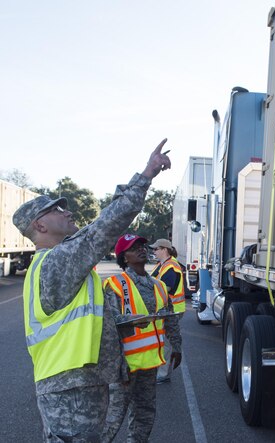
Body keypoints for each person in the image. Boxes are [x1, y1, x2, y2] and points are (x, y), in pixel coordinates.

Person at [12, 139, 171, 442]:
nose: (66, 212)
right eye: (56, 209)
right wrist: (145, 176)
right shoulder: (57, 262)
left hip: (75, 386)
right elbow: (104, 228)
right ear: (40, 226)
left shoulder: (59, 261)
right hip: (70, 390)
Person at [101, 234, 182, 442]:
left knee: (145, 413)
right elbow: (108, 326)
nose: (141, 249)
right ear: (124, 257)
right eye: (133, 247)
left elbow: (169, 318)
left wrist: (177, 347)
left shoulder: (158, 285)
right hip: (124, 365)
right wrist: (116, 364)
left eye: (142, 246)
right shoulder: (116, 285)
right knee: (113, 418)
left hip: (148, 364)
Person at [150, 238, 185, 383]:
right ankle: (161, 371)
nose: (154, 252)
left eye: (156, 249)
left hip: (172, 310)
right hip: (165, 310)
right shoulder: (162, 265)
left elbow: (167, 288)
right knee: (162, 341)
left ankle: (164, 374)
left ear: (164, 249)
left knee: (166, 343)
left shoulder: (171, 267)